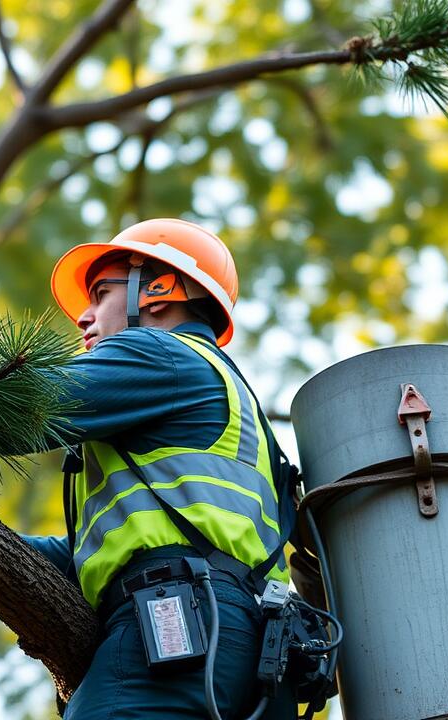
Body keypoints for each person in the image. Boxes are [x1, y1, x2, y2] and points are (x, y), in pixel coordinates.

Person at [28, 218, 298, 719]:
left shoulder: (159, 354)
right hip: (250, 651)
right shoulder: (227, 398)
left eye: (100, 293)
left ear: (159, 289)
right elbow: (101, 550)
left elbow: (18, 409)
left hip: (177, 620)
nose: (83, 318)